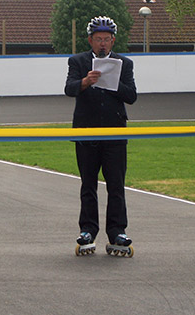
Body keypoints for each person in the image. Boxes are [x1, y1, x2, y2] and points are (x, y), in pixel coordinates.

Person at [64, 16, 137, 255]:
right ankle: (88, 230)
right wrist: (86, 82)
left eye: (106, 39)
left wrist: (112, 84)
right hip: (87, 131)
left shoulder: (123, 63)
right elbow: (69, 88)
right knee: (88, 184)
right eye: (98, 39)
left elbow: (132, 96)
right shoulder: (78, 61)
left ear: (113, 40)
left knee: (116, 185)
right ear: (90, 40)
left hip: (114, 132)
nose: (102, 44)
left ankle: (117, 230)